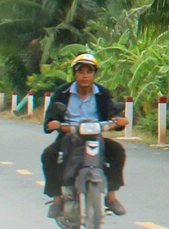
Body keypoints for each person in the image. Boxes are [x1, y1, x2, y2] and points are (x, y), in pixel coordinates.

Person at [41, 54, 128, 217]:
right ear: (74, 74)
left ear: (95, 74)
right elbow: (51, 116)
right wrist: (53, 123)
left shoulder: (102, 92)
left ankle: (111, 196)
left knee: (118, 151)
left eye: (89, 71)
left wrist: (117, 120)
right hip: (69, 137)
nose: (85, 75)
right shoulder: (63, 92)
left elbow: (111, 112)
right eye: (80, 71)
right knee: (49, 155)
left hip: (95, 137)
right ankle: (57, 199)